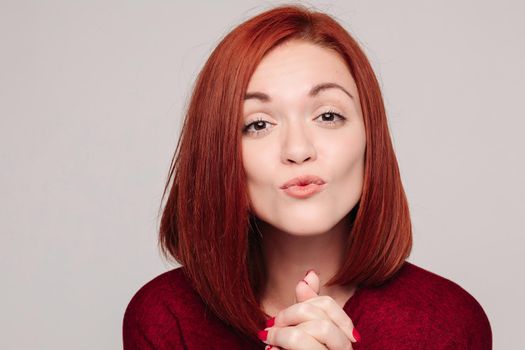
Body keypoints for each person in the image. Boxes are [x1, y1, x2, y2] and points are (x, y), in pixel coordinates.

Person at [122, 4, 492, 349]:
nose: (298, 150)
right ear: (219, 153)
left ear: (370, 138)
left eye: (328, 116)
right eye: (258, 124)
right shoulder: (166, 318)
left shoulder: (447, 324)